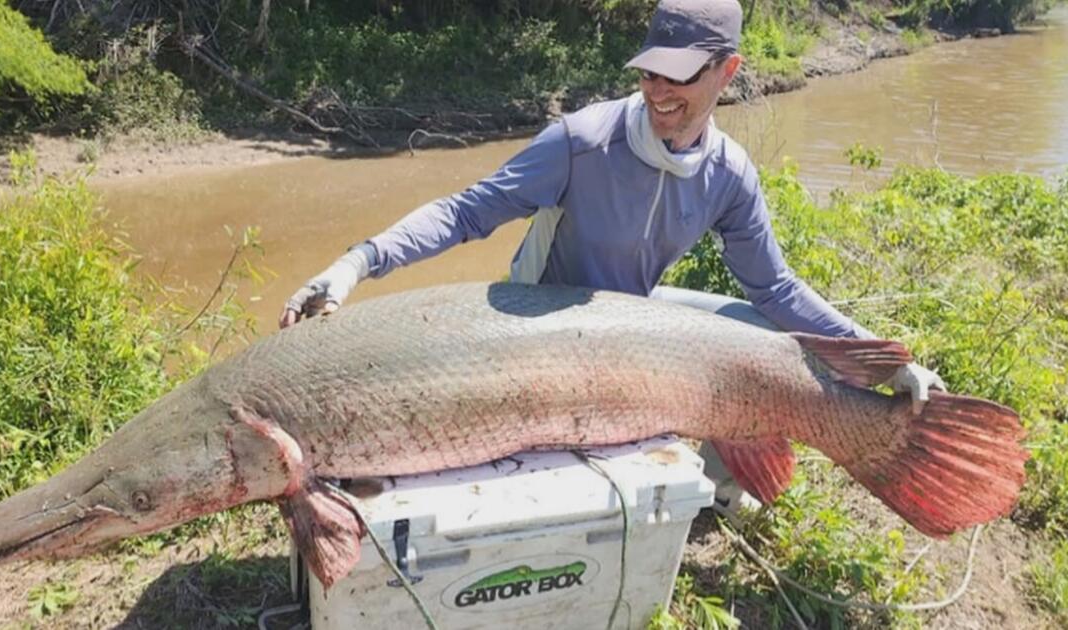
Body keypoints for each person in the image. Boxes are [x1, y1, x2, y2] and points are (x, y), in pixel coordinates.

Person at [278, 0, 944, 517]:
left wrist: (885, 359)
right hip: (533, 328)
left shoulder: (729, 175)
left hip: (631, 325)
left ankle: (713, 485)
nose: (659, 90)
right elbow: (463, 213)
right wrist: (354, 264)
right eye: (651, 71)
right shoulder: (580, 141)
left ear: (728, 72)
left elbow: (776, 287)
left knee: (761, 332)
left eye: (680, 76)